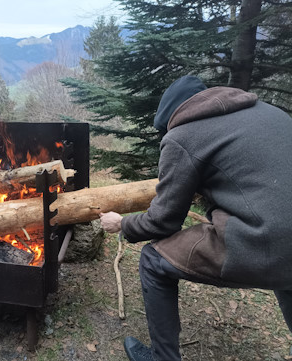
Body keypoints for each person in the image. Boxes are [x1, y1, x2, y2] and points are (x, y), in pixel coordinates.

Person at [99, 75, 292, 361]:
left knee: (153, 260)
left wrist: (122, 223)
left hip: (263, 238)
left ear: (170, 120)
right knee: (286, 268)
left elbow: (163, 222)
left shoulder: (182, 136)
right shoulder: (269, 111)